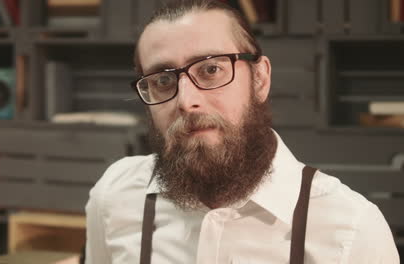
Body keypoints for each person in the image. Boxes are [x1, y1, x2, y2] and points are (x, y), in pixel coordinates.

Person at [85, 0, 400, 263]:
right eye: (162, 80)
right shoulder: (114, 195)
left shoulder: (352, 231)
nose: (186, 101)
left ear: (260, 78)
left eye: (210, 69)